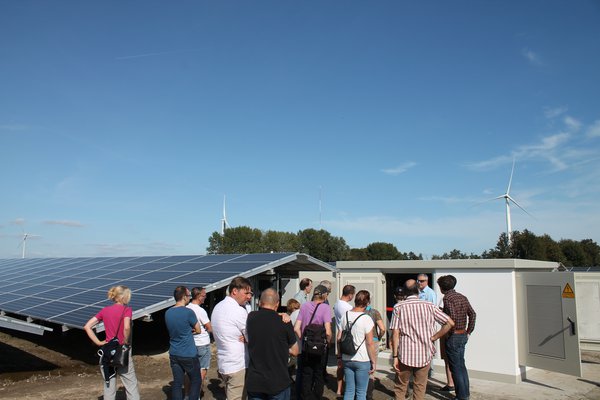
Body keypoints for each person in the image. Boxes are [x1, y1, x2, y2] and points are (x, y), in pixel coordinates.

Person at [390, 280, 454, 400]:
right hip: (424, 352)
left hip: (405, 354)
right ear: (418, 290)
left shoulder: (399, 307)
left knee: (400, 386)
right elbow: (449, 323)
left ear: (404, 292)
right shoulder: (429, 306)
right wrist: (435, 337)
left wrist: (394, 356)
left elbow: (395, 333)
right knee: (420, 386)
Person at [84, 285, 140, 400]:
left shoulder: (105, 310)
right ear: (123, 297)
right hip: (122, 352)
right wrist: (125, 341)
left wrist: (99, 342)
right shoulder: (127, 310)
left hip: (107, 352)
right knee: (131, 385)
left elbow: (87, 326)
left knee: (109, 385)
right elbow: (126, 327)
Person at [246, 288, 299, 400]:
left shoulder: (251, 317)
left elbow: (265, 317)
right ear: (277, 303)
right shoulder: (284, 322)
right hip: (278, 381)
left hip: (255, 381)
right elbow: (295, 351)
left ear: (260, 302)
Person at [211, 276, 254, 400]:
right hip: (237, 365)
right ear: (235, 291)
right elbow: (252, 337)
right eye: (246, 293)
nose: (249, 297)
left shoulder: (218, 307)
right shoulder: (237, 311)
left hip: (224, 363)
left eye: (250, 293)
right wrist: (247, 339)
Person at [437, 275, 476, 400]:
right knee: (461, 365)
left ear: (442, 287)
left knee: (455, 368)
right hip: (462, 334)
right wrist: (468, 331)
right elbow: (473, 314)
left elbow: (452, 318)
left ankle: (462, 396)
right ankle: (465, 393)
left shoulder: (447, 298)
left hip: (453, 336)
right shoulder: (462, 297)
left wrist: (451, 331)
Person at [294, 284, 332, 400]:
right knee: (319, 375)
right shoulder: (325, 308)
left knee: (306, 374)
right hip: (320, 348)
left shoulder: (304, 306)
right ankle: (316, 397)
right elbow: (328, 332)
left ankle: (305, 397)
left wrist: (302, 339)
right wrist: (328, 343)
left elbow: (296, 328)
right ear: (324, 295)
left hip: (307, 347)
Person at [338, 290, 376, 400]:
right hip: (362, 359)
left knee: (349, 390)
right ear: (367, 303)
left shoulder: (345, 315)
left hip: (347, 357)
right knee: (361, 392)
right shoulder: (366, 319)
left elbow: (339, 338)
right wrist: (373, 361)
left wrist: (339, 356)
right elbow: (369, 343)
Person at [165, 286, 202, 400]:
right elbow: (198, 329)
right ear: (184, 297)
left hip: (174, 352)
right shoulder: (188, 312)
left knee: (177, 382)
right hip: (188, 353)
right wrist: (191, 331)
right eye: (189, 296)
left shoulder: (168, 312)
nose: (189, 298)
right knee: (196, 380)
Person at [186, 286, 212, 397]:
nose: (205, 297)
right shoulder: (201, 311)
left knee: (189, 371)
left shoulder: (186, 308)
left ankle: (187, 394)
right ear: (198, 296)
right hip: (202, 344)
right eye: (204, 295)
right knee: (202, 369)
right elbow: (209, 328)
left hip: (191, 344)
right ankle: (195, 394)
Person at [334, 285, 356, 396]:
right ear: (350, 295)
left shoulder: (337, 303)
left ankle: (339, 389)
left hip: (339, 335)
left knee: (340, 365)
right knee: (349, 364)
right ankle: (349, 389)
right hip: (347, 337)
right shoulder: (348, 307)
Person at [364, 304, 385, 400]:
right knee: (372, 368)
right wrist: (379, 337)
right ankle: (369, 394)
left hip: (361, 341)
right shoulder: (374, 312)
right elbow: (382, 329)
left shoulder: (357, 311)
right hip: (373, 340)